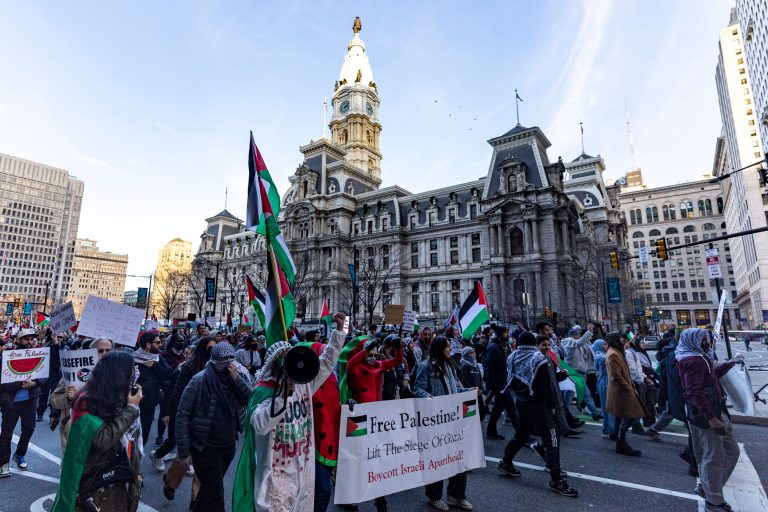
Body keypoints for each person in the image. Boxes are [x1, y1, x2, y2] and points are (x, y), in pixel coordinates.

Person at [231, 313, 346, 512]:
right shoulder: (263, 391)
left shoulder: (305, 384)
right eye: (283, 361)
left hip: (302, 467)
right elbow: (259, 424)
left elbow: (326, 362)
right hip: (274, 474)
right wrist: (282, 396)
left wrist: (339, 331)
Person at [50, 351, 143, 511]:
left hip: (117, 476)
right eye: (130, 371)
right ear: (119, 376)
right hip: (99, 483)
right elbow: (103, 440)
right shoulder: (87, 401)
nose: (133, 376)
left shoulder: (117, 398)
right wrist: (131, 409)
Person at [175, 342, 254, 511]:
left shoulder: (238, 376)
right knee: (216, 491)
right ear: (214, 360)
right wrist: (183, 450)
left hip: (228, 445)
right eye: (222, 360)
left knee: (208, 490)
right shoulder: (200, 380)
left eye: (230, 359)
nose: (226, 363)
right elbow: (182, 415)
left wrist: (236, 380)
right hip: (204, 447)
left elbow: (250, 399)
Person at [497, 333, 578, 498]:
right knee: (552, 439)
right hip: (539, 404)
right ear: (534, 343)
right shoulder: (538, 358)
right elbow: (544, 385)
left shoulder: (513, 356)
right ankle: (556, 481)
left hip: (522, 401)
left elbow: (512, 379)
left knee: (522, 433)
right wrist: (551, 406)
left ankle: (506, 461)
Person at [677, 328, 741, 511]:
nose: (707, 341)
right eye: (704, 338)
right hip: (706, 415)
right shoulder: (693, 361)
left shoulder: (700, 357)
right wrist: (712, 418)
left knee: (731, 452)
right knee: (713, 458)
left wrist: (728, 364)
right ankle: (713, 502)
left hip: (715, 410)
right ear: (694, 340)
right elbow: (693, 391)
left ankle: (708, 489)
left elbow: (711, 378)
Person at [413, 336, 473, 511]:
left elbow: (453, 389)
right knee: (437, 460)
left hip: (453, 420)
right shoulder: (425, 367)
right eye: (447, 347)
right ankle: (434, 496)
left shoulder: (450, 366)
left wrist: (467, 391)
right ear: (439, 348)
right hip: (436, 421)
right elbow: (418, 388)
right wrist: (428, 398)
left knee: (459, 459)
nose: (451, 349)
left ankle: (456, 495)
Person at [157, 336, 216, 502]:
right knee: (183, 460)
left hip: (207, 420)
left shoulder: (217, 368)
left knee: (202, 467)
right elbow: (178, 393)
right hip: (189, 417)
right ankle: (170, 482)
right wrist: (171, 413)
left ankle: (195, 500)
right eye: (209, 348)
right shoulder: (190, 367)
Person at [50, 338, 113, 451]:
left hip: (103, 434)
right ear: (91, 352)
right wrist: (68, 398)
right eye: (100, 350)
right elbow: (54, 400)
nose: (104, 354)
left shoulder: (117, 374)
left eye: (108, 350)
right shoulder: (74, 373)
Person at [0, 329, 48, 476]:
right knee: (7, 434)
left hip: (30, 400)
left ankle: (20, 454)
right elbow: (2, 384)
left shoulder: (39, 355)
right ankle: (3, 463)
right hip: (11, 402)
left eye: (31, 339)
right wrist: (20, 384)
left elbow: (44, 376)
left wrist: (34, 383)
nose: (29, 342)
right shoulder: (6, 358)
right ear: (18, 340)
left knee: (29, 428)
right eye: (25, 339)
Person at [605, 332, 645, 456]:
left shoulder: (616, 351)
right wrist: (628, 388)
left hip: (623, 389)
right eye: (620, 339)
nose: (623, 340)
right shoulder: (613, 354)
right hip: (621, 391)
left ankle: (620, 440)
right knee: (625, 417)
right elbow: (616, 375)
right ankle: (621, 442)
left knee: (622, 417)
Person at [134, 331, 173, 447]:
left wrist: (154, 366)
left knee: (143, 436)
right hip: (133, 404)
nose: (160, 344)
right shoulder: (133, 358)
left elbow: (169, 373)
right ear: (148, 345)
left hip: (150, 405)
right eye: (157, 342)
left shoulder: (157, 359)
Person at [484, 325, 514, 439]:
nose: (508, 334)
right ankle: (522, 435)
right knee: (511, 408)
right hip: (499, 384)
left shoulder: (503, 346)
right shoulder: (493, 347)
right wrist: (493, 385)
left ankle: (491, 431)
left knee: (498, 408)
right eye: (506, 332)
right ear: (500, 334)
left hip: (504, 382)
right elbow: (490, 368)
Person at [156, 334, 186, 447]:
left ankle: (171, 438)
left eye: (182, 340)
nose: (181, 342)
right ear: (172, 342)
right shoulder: (164, 355)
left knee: (174, 415)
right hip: (166, 389)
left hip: (178, 390)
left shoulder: (183, 355)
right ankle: (160, 436)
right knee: (164, 413)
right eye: (178, 340)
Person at [591, 339, 615, 439]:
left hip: (607, 381)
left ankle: (609, 429)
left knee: (610, 407)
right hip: (604, 382)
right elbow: (605, 359)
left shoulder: (604, 353)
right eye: (604, 344)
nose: (606, 346)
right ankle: (609, 430)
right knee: (607, 407)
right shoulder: (598, 355)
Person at [459, 347, 486, 421]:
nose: (473, 354)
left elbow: (480, 378)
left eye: (473, 352)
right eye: (470, 353)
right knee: (470, 415)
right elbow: (465, 382)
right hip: (470, 394)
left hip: (479, 393)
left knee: (482, 413)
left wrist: (481, 389)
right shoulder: (464, 366)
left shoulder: (475, 364)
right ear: (465, 355)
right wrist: (473, 390)